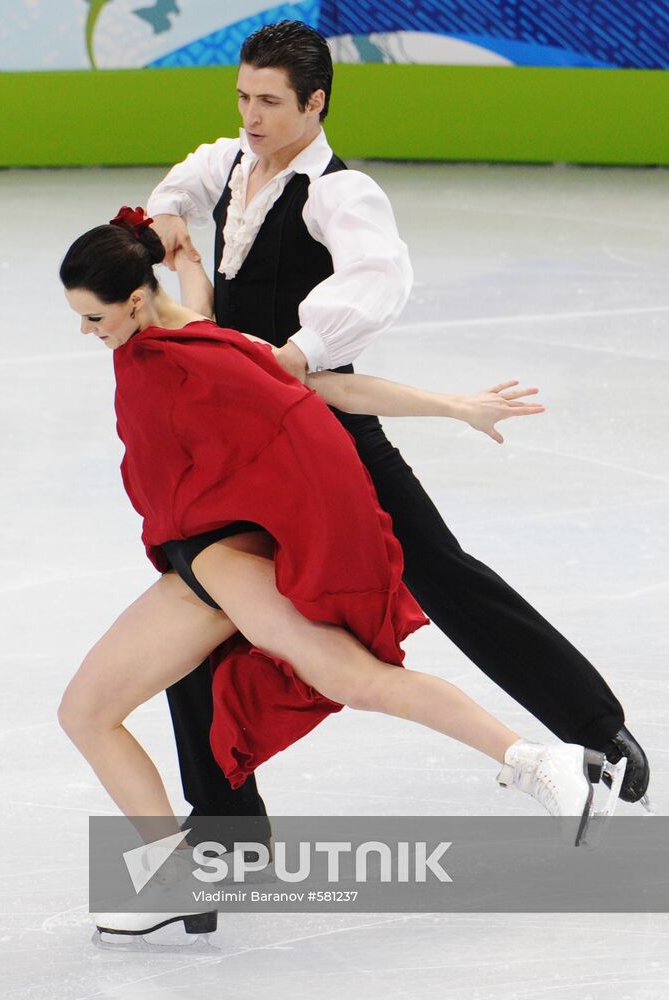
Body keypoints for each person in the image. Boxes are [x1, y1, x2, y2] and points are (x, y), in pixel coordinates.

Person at [144, 21, 650, 853]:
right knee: (202, 605)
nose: (252, 116)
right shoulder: (233, 165)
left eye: (270, 102)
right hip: (246, 454)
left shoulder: (340, 195)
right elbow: (187, 180)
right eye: (243, 96)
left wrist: (296, 353)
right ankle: (228, 828)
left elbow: (379, 280)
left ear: (316, 103)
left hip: (329, 434)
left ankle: (593, 723)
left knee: (445, 574)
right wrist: (165, 216)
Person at [59, 209, 625, 937]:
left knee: (358, 680)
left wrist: (455, 406)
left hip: (224, 565)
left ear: (134, 301)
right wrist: (189, 263)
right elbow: (193, 314)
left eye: (92, 316)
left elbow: (331, 392)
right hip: (196, 568)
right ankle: (173, 879)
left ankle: (543, 768)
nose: (86, 331)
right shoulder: (187, 336)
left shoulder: (205, 356)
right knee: (86, 711)